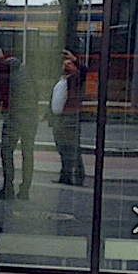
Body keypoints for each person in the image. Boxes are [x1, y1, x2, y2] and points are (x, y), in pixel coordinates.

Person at [0, 51, 37, 199]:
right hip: (31, 117)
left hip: (14, 117)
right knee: (28, 153)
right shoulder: (27, 71)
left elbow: (1, 95)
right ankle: (25, 190)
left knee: (6, 152)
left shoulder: (5, 73)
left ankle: (8, 188)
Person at [51, 49, 85, 186]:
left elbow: (84, 71)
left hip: (70, 118)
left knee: (72, 149)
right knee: (63, 149)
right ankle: (66, 176)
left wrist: (75, 59)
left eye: (69, 64)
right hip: (59, 119)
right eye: (65, 63)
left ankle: (77, 177)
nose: (66, 65)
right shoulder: (62, 80)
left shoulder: (76, 80)